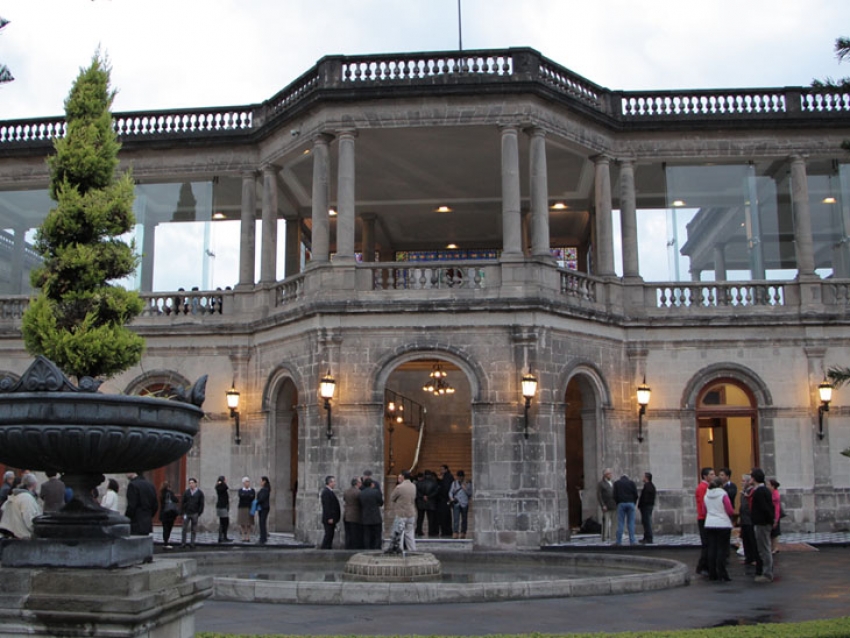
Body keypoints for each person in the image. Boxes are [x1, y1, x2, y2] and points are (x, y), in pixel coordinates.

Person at [704, 477, 734, 581]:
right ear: (721, 485)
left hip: (710, 523)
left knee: (712, 548)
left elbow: (704, 510)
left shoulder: (706, 495)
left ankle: (712, 573)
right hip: (722, 523)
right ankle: (722, 572)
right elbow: (729, 510)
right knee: (722, 549)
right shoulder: (723, 494)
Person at [750, 468, 775, 583]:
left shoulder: (759, 492)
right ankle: (767, 572)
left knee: (764, 549)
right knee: (764, 548)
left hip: (762, 523)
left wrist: (769, 520)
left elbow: (765, 508)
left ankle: (767, 573)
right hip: (764, 522)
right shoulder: (764, 490)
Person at [0, 473, 41, 539]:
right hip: (21, 537)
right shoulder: (27, 498)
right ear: (34, 484)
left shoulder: (14, 496)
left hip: (8, 535)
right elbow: (29, 520)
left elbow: (3, 509)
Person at [695, 467, 715, 575]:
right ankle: (703, 566)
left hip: (705, 517)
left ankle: (704, 565)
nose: (713, 476)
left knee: (708, 543)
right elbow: (704, 503)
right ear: (705, 476)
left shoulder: (705, 487)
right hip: (704, 518)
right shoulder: (703, 487)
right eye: (711, 474)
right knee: (706, 543)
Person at [390, 470, 417, 551]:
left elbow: (392, 497)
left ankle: (400, 550)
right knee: (410, 534)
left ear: (403, 477)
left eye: (400, 476)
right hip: (411, 512)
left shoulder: (399, 487)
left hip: (401, 513)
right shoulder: (413, 486)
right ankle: (412, 550)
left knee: (399, 533)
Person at [125, 471, 158, 535]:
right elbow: (155, 505)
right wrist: (149, 515)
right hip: (147, 522)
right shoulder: (150, 485)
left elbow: (131, 506)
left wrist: (127, 517)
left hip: (136, 522)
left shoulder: (132, 485)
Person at [738, 474, 758, 569]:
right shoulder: (744, 492)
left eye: (743, 481)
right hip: (744, 519)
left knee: (751, 539)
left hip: (749, 519)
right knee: (745, 539)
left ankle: (754, 558)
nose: (742, 483)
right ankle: (748, 557)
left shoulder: (752, 491)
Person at [613, 473, 638, 545]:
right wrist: (633, 502)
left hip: (621, 503)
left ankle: (618, 541)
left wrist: (618, 502)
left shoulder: (617, 483)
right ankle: (632, 541)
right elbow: (636, 494)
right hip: (630, 503)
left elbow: (614, 495)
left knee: (620, 523)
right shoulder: (631, 483)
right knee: (631, 523)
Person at [358, 476, 383, 550]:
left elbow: (360, 504)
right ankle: (377, 548)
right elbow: (381, 502)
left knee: (367, 534)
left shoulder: (361, 493)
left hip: (365, 516)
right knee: (377, 534)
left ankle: (367, 548)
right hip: (375, 516)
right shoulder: (376, 492)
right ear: (371, 484)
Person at [180, 477, 204, 548]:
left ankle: (192, 543)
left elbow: (201, 503)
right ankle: (183, 543)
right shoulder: (187, 492)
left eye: (192, 483)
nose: (191, 484)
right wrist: (182, 511)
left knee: (193, 529)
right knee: (184, 528)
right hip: (187, 512)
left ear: (195, 484)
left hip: (195, 513)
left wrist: (199, 512)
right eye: (190, 483)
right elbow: (183, 502)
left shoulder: (199, 493)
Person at [449, 469, 472, 539]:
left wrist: (465, 489)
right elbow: (450, 492)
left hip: (464, 503)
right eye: (459, 477)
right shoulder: (454, 483)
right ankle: (455, 532)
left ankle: (463, 532)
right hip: (457, 502)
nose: (460, 478)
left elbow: (470, 493)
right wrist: (451, 498)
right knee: (456, 518)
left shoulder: (468, 484)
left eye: (461, 476)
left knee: (464, 519)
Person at [416, 469, 439, 537]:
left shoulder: (419, 482)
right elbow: (436, 491)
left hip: (421, 502)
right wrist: (429, 496)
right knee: (431, 518)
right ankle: (431, 531)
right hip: (430, 502)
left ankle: (419, 530)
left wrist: (423, 496)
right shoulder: (434, 482)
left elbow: (417, 492)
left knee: (420, 518)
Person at [321, 475, 341, 549]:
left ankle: (327, 548)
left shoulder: (329, 491)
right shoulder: (326, 492)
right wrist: (330, 517)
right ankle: (324, 549)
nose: (335, 483)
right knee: (328, 534)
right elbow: (327, 506)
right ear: (329, 482)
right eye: (333, 482)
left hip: (332, 518)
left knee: (330, 534)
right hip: (329, 518)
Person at [343, 477, 363, 549]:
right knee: (354, 533)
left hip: (346, 514)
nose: (361, 483)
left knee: (348, 533)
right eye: (360, 482)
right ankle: (354, 547)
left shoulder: (346, 491)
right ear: (357, 483)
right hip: (355, 515)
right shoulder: (358, 492)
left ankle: (347, 546)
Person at [596, 469, 616, 542]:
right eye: (608, 474)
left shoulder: (613, 482)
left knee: (614, 522)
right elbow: (599, 495)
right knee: (606, 522)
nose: (610, 475)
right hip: (606, 505)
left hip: (614, 504)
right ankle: (604, 537)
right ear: (605, 475)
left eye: (610, 473)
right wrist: (603, 505)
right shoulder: (601, 484)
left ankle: (613, 536)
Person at [159, 480, 179, 548]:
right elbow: (176, 500)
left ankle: (165, 542)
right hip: (170, 513)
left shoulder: (161, 493)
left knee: (165, 528)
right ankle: (166, 542)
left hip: (163, 513)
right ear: (168, 487)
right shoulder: (170, 493)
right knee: (169, 528)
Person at [637, 471, 656, 544]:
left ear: (647, 478)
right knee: (646, 522)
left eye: (644, 477)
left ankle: (649, 538)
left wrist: (642, 505)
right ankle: (646, 537)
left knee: (647, 522)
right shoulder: (650, 486)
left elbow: (645, 498)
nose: (643, 478)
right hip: (647, 506)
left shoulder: (648, 486)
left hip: (646, 507)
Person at [436, 465, 454, 538]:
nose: (441, 471)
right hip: (445, 499)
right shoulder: (448, 477)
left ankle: (446, 531)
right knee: (445, 516)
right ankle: (446, 530)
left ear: (446, 470)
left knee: (444, 516)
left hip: (444, 499)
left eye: (442, 469)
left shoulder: (447, 477)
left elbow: (445, 488)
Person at [237, 476, 256, 543]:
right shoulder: (240, 490)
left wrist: (245, 496)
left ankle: (248, 536)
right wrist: (247, 496)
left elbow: (252, 496)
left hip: (249, 507)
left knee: (249, 523)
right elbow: (241, 496)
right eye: (246, 481)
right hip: (242, 507)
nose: (248, 483)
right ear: (243, 483)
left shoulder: (252, 490)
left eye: (248, 481)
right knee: (242, 522)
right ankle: (243, 536)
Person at [215, 475, 232, 543]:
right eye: (224, 480)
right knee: (224, 522)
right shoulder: (221, 487)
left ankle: (223, 536)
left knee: (224, 522)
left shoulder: (220, 486)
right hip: (222, 506)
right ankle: (222, 537)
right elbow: (225, 487)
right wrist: (221, 482)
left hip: (223, 506)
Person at [768, 478, 782, 554]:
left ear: (773, 486)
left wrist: (776, 519)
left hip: (775, 514)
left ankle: (775, 547)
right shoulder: (771, 493)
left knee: (775, 532)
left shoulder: (775, 494)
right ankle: (772, 547)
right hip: (773, 514)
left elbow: (776, 507)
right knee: (772, 532)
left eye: (769, 485)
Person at [256, 476, 271, 545]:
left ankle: (263, 538)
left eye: (261, 481)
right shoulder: (264, 489)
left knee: (262, 522)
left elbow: (262, 498)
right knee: (261, 522)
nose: (260, 482)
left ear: (264, 481)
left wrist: (257, 501)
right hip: (262, 508)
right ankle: (263, 537)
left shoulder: (265, 489)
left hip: (264, 507)